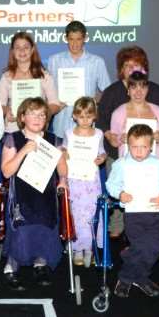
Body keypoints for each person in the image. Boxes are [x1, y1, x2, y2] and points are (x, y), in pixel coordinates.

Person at [96, 46, 159, 237]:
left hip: (155, 161)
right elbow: (109, 132)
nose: (131, 69)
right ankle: (128, 236)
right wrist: (116, 138)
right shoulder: (117, 104)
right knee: (130, 204)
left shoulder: (158, 102)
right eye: (127, 65)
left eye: (136, 65)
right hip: (128, 161)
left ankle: (156, 238)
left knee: (155, 203)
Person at [1, 97, 67, 290]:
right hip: (21, 195)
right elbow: (6, 171)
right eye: (32, 113)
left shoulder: (54, 139)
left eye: (42, 114)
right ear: (22, 116)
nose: (37, 118)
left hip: (45, 194)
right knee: (23, 225)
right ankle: (11, 267)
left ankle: (40, 264)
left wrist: (61, 165)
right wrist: (24, 151)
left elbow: (63, 171)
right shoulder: (13, 138)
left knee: (45, 225)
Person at [106, 124, 159, 298]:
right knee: (142, 246)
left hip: (155, 213)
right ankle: (133, 278)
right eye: (134, 147)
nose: (138, 151)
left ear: (151, 146)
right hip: (134, 213)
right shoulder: (121, 164)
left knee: (156, 246)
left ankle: (129, 263)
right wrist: (120, 194)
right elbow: (111, 185)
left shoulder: (158, 164)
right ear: (128, 145)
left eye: (143, 147)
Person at [47, 21, 111, 139]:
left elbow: (107, 92)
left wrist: (93, 100)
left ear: (85, 38)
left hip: (87, 124)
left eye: (78, 39)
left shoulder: (97, 62)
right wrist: (55, 102)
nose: (75, 44)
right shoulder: (54, 60)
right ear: (66, 38)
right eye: (71, 39)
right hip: (61, 122)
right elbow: (47, 90)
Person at [62, 97, 106, 267]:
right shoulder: (68, 133)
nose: (85, 120)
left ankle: (90, 248)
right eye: (81, 116)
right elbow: (64, 147)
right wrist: (64, 151)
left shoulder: (99, 134)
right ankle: (76, 249)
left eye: (88, 116)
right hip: (74, 180)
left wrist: (101, 158)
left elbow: (102, 151)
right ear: (74, 116)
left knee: (91, 214)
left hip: (91, 181)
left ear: (94, 116)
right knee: (75, 213)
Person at [0, 31, 62, 134]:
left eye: (26, 47)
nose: (22, 51)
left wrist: (41, 114)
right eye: (17, 48)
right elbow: (0, 105)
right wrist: (7, 112)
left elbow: (55, 105)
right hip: (13, 130)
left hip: (38, 131)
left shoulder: (44, 75)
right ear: (13, 51)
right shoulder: (6, 77)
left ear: (32, 50)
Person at [109, 71, 159, 162]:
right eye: (134, 87)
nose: (138, 92)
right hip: (128, 164)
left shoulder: (158, 111)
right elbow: (113, 142)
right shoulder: (118, 113)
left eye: (142, 87)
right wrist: (120, 139)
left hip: (156, 164)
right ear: (128, 90)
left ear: (147, 89)